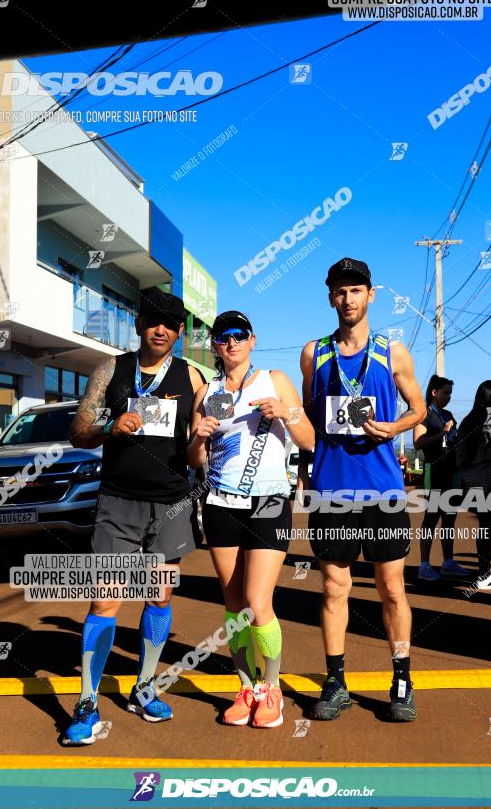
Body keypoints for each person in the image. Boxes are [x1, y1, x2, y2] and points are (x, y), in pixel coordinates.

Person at [62, 290, 205, 746]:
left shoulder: (193, 376)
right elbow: (78, 432)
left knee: (159, 598)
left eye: (169, 323)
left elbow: (204, 440)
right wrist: (109, 425)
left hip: (171, 503)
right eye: (152, 321)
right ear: (139, 324)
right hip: (118, 502)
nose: (160, 329)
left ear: (180, 332)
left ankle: (144, 686)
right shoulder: (112, 370)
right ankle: (87, 701)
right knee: (106, 601)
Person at [299, 258, 426, 723]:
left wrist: (394, 427)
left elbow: (420, 410)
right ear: (330, 297)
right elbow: (310, 415)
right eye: (339, 291)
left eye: (355, 290)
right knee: (335, 588)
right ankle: (336, 681)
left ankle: (402, 679)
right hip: (333, 490)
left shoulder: (393, 352)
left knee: (392, 589)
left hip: (383, 490)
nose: (347, 299)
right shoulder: (314, 353)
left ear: (371, 294)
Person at [188, 311, 315, 728]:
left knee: (260, 603)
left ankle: (272, 687)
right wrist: (198, 438)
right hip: (221, 502)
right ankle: (246, 686)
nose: (231, 342)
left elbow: (310, 439)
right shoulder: (206, 392)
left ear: (252, 340)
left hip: (268, 503)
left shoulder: (274, 379)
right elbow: (195, 460)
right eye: (223, 337)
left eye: (239, 335)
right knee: (234, 606)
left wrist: (286, 413)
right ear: (215, 345)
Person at [456, 381, 491, 591]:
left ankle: (483, 573)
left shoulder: (468, 420)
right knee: (488, 528)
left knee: (484, 527)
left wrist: (466, 474)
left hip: (472, 482)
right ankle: (484, 575)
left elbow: (459, 453)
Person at [413, 376, 470, 581]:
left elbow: (453, 438)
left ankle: (448, 563)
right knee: (431, 518)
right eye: (446, 392)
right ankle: (424, 566)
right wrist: (442, 434)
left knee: (449, 518)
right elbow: (418, 443)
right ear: (434, 392)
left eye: (450, 393)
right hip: (434, 470)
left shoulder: (448, 414)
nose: (449, 397)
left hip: (451, 471)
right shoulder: (423, 414)